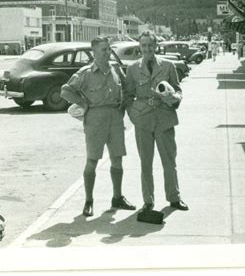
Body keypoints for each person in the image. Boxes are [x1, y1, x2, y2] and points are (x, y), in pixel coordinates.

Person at [60, 36, 136, 217]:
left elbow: (126, 89)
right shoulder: (86, 73)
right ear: (94, 52)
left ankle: (117, 197)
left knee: (117, 159)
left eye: (109, 49)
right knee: (92, 161)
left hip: (115, 118)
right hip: (95, 119)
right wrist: (83, 104)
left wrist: (124, 106)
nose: (108, 52)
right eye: (104, 49)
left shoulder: (116, 69)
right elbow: (65, 91)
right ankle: (89, 201)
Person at [124, 31, 189, 212]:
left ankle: (174, 198)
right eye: (144, 46)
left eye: (150, 45)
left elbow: (178, 90)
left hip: (164, 117)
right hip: (143, 120)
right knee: (146, 162)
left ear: (155, 46)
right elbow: (128, 96)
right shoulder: (132, 69)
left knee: (169, 160)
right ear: (140, 47)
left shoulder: (168, 66)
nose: (147, 49)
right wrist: (133, 115)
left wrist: (174, 98)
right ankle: (148, 201)